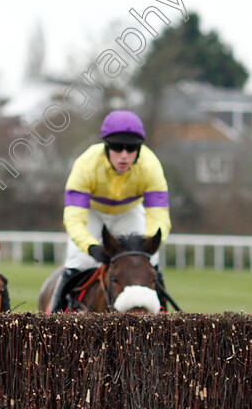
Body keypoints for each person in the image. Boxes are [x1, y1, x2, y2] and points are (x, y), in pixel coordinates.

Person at [47, 110, 171, 313]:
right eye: (116, 147)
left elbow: (159, 217)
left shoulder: (151, 166)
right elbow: (74, 219)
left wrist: (151, 243)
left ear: (139, 150)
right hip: (92, 213)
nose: (124, 155)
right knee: (78, 261)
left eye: (131, 149)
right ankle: (53, 317)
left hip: (129, 212)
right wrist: (91, 247)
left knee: (150, 263)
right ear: (106, 146)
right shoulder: (85, 165)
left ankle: (164, 320)